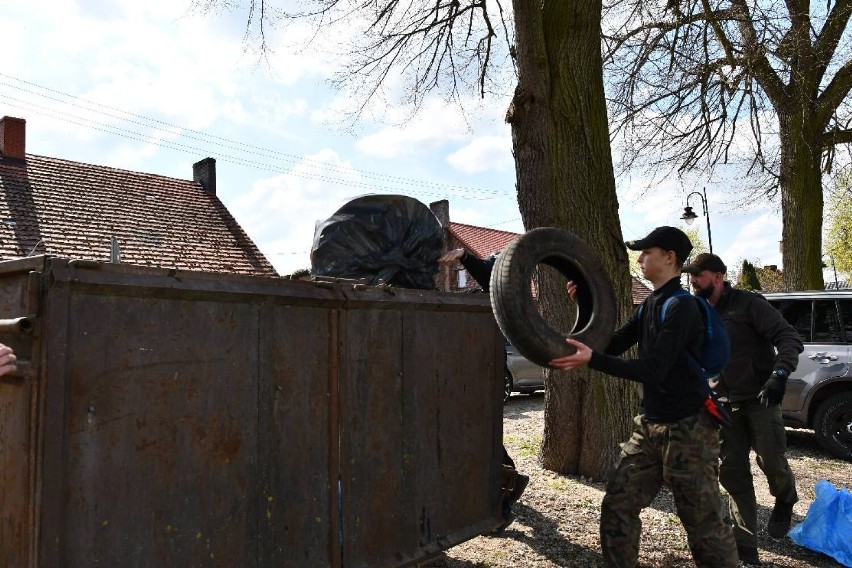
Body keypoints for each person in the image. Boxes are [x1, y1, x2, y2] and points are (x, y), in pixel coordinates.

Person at [550, 226, 738, 568]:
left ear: (669, 258)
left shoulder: (683, 308)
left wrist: (592, 360)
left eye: (646, 252)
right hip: (650, 426)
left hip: (689, 430)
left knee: (704, 526)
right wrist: (586, 302)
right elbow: (611, 343)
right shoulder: (651, 304)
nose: (640, 259)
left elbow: (653, 370)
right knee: (618, 506)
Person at [684, 253, 803, 565]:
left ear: (719, 276)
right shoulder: (695, 313)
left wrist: (779, 374)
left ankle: (786, 497)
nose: (694, 280)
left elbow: (788, 337)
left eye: (700, 275)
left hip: (760, 399)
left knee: (773, 461)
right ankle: (746, 548)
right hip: (721, 405)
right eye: (692, 275)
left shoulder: (749, 304)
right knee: (733, 473)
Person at [437, 247, 529, 532]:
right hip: (479, 370)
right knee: (480, 431)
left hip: (484, 369)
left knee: (478, 433)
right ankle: (507, 480)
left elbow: (490, 273)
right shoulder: (496, 295)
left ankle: (500, 502)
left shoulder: (505, 289)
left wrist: (464, 256)